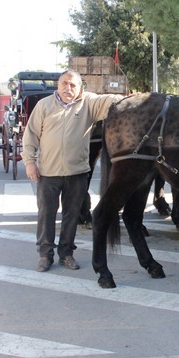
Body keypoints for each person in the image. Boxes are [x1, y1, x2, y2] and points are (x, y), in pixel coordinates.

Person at [22, 69, 122, 272]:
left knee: (72, 216)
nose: (68, 88)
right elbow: (30, 135)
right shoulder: (44, 106)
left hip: (77, 173)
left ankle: (66, 254)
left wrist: (134, 99)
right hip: (48, 173)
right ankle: (45, 255)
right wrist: (30, 163)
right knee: (46, 215)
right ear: (58, 85)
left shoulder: (88, 104)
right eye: (64, 84)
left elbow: (110, 100)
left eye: (73, 85)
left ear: (80, 88)